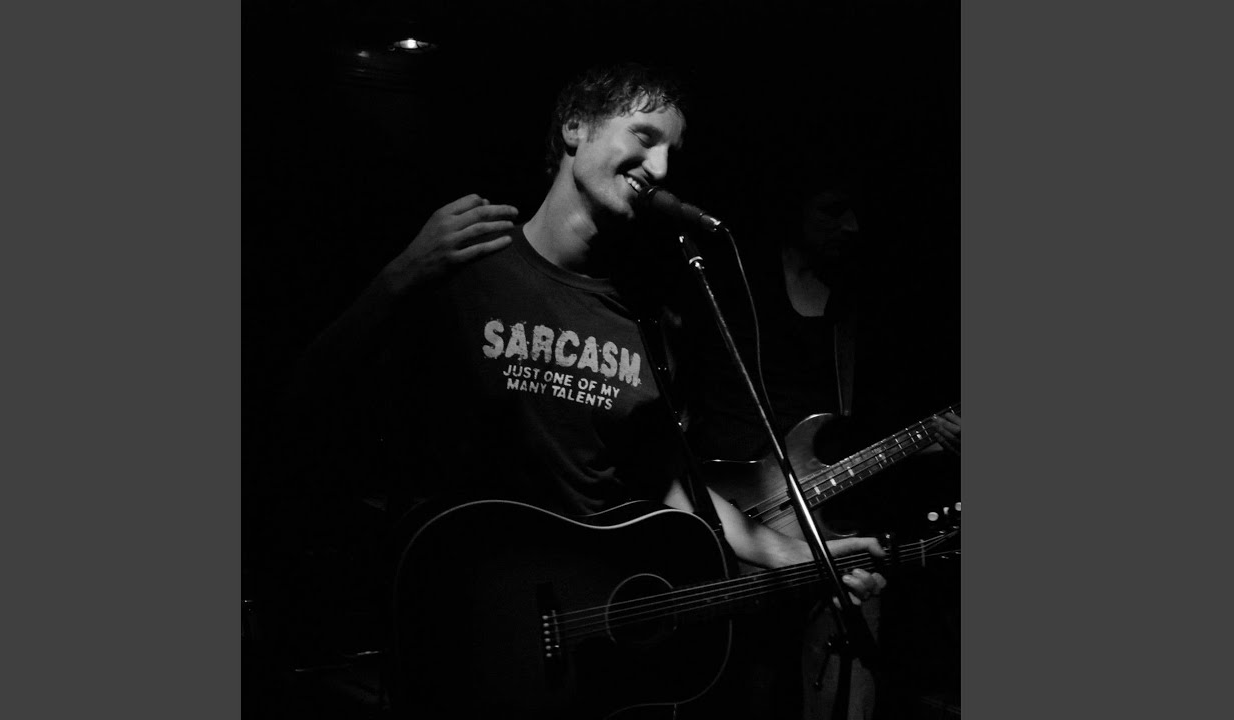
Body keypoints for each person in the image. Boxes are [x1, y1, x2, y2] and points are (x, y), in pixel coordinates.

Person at [286, 62, 888, 717]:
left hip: (586, 646)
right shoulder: (464, 262)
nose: (659, 167)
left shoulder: (641, 322)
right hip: (465, 620)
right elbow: (308, 391)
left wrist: (804, 555)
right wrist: (398, 279)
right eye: (645, 136)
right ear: (575, 128)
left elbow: (671, 486)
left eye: (672, 153)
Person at [678, 184, 961, 719]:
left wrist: (936, 443)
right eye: (833, 210)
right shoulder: (727, 277)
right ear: (794, 203)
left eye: (857, 211)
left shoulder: (866, 301)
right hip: (730, 516)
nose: (851, 226)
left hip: (836, 524)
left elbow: (873, 430)